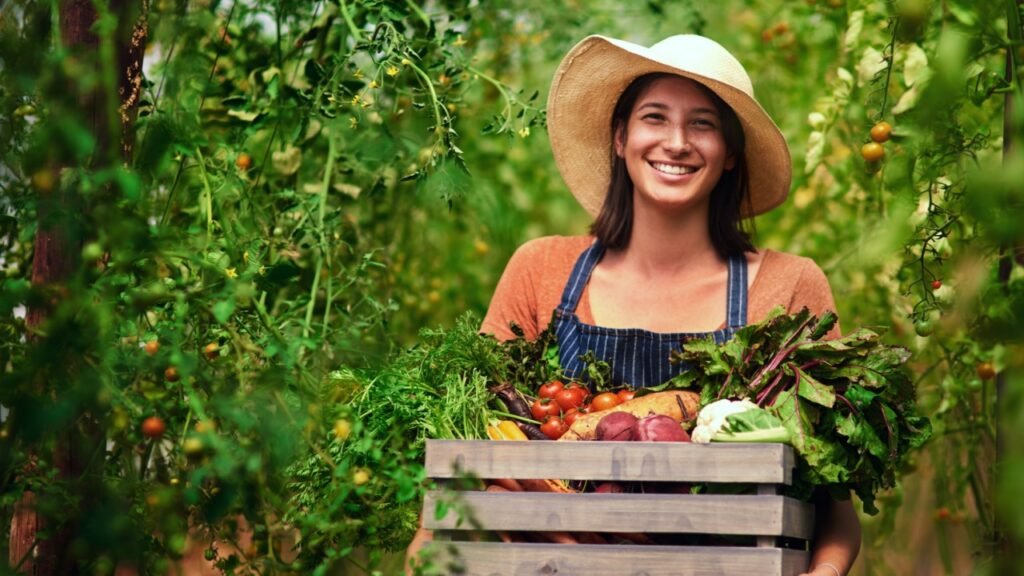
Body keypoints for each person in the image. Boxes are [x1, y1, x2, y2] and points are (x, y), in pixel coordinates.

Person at [406, 34, 860, 576]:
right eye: (654, 117)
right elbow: (469, 458)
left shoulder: (789, 287)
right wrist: (425, 554)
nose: (677, 142)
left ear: (731, 153)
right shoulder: (540, 271)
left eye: (703, 124)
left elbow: (835, 506)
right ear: (620, 138)